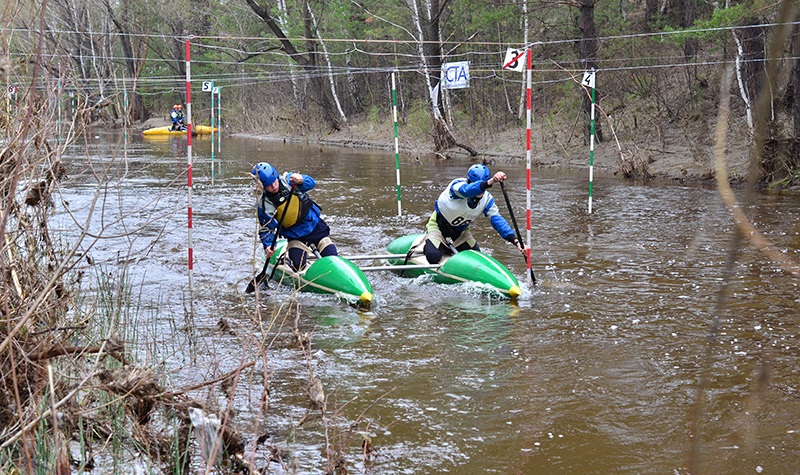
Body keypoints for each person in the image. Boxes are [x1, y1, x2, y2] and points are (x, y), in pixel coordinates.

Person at [423, 163, 525, 264]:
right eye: (475, 183)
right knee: (433, 257)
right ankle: (431, 244)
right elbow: (468, 191)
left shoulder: (487, 200)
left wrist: (515, 240)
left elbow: (498, 222)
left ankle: (447, 248)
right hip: (439, 226)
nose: (480, 191)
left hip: (460, 231)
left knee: (476, 259)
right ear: (469, 181)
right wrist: (490, 182)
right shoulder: (457, 186)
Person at [251, 162, 338, 272]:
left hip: (315, 227)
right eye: (268, 185)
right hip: (295, 236)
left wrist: (301, 179)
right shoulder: (264, 204)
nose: (273, 186)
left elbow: (311, 183)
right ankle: (289, 260)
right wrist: (268, 245)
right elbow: (266, 228)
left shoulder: (289, 181)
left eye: (274, 181)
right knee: (298, 267)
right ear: (261, 186)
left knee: (333, 258)